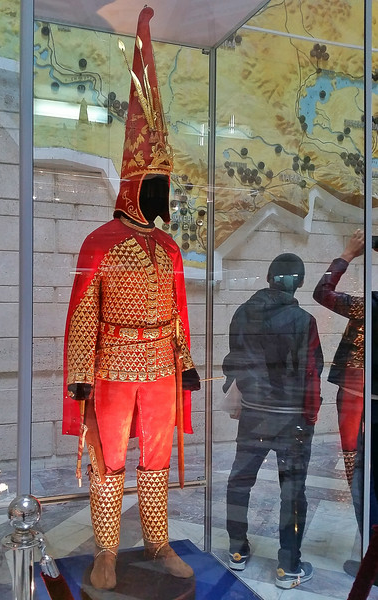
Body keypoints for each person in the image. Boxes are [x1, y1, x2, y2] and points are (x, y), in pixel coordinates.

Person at [62, 7, 200, 591]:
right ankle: (107, 551)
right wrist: (79, 373)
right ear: (132, 186)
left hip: (161, 369)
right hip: (114, 363)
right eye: (155, 184)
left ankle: (158, 541)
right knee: (110, 459)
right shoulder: (99, 241)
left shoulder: (167, 248)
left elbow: (177, 312)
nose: (164, 193)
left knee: (155, 460)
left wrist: (186, 361)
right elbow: (82, 314)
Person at [222, 253, 323, 589]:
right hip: (290, 419)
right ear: (300, 282)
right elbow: (311, 373)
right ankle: (288, 567)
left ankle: (236, 552)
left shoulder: (241, 313)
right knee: (292, 491)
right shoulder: (303, 320)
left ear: (268, 277)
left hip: (253, 414)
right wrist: (310, 415)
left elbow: (232, 363)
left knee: (239, 480)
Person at [313, 230, 365, 487]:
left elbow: (322, 292)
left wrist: (347, 255)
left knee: (352, 452)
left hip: (357, 384)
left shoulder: (368, 307)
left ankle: (366, 515)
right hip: (357, 384)